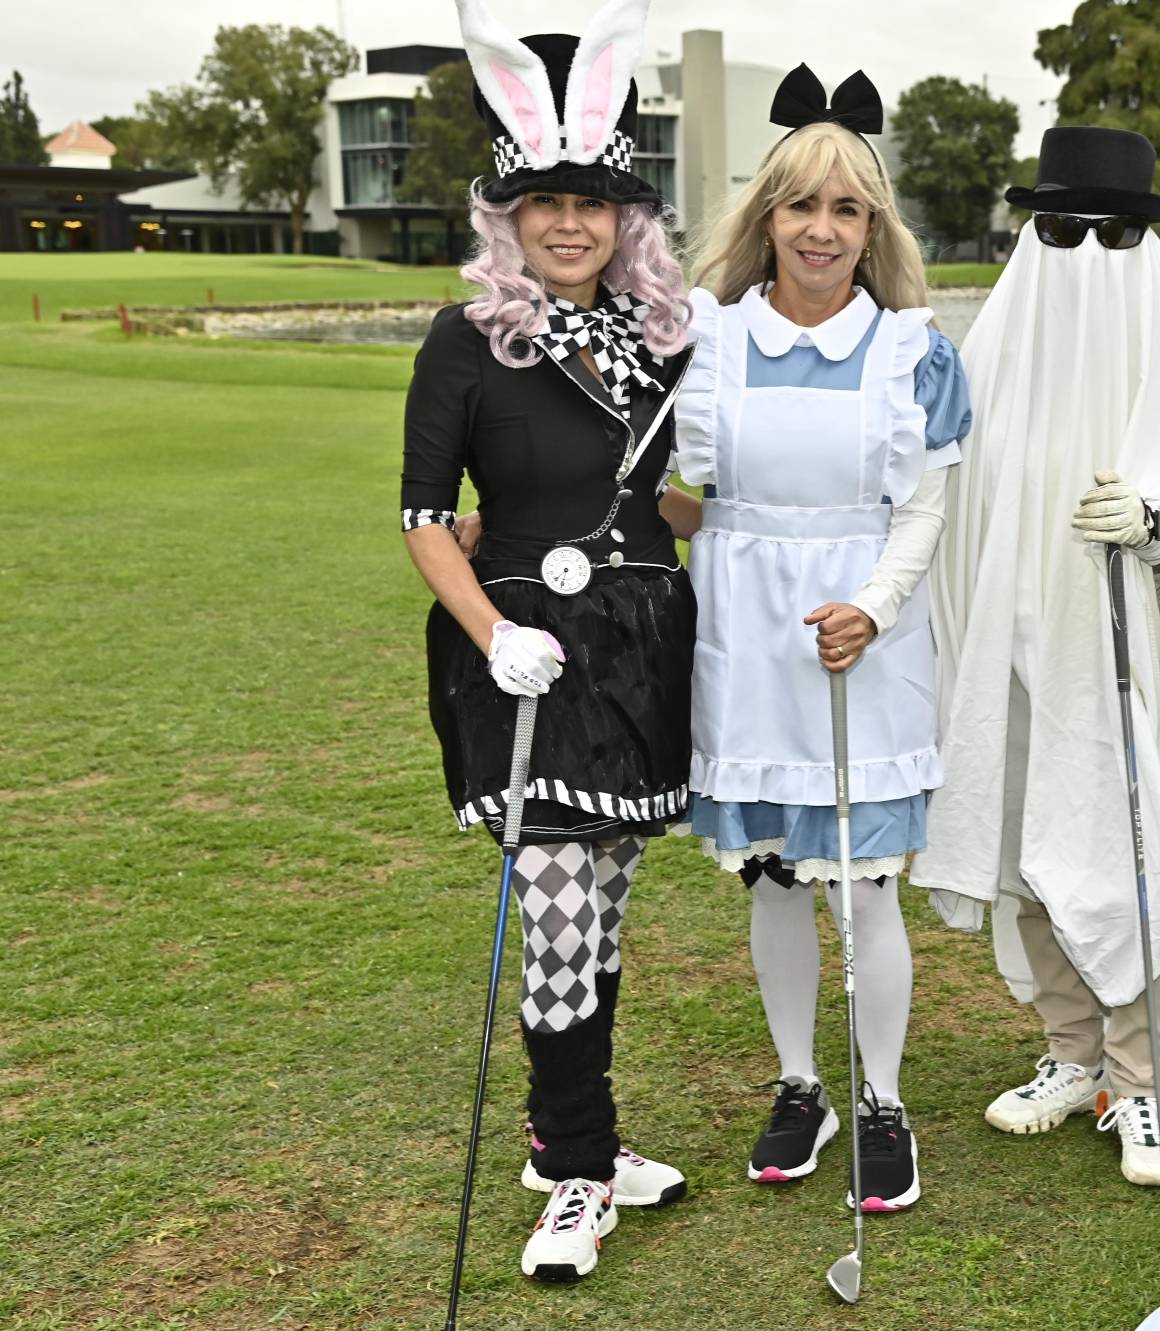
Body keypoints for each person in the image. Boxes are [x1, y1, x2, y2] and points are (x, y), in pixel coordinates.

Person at [401, 0, 698, 1283]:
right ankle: (576, 1170)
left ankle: (572, 1132)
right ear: (508, 218)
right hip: (527, 655)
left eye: (592, 203)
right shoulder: (464, 341)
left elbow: (660, 503)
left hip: (640, 647)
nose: (568, 223)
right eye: (544, 203)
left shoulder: (660, 341)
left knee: (607, 905)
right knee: (558, 909)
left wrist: (760, 515)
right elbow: (423, 519)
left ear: (624, 218)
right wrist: (493, 627)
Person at [675, 64, 970, 1213]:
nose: (821, 229)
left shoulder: (914, 353)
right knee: (772, 877)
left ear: (871, 226)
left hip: (861, 632)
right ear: (766, 217)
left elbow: (926, 509)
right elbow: (682, 493)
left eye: (847, 209)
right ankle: (801, 1081)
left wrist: (874, 606)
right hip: (745, 635)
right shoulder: (707, 341)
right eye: (801, 205)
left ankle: (883, 1097)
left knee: (862, 885)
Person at [912, 128, 1160, 1187]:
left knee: (1128, 843)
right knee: (1028, 840)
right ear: (1030, 231)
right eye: (1062, 227)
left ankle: (1140, 1079)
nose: (1087, 249)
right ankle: (1070, 1050)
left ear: (1144, 239)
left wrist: (1155, 525)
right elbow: (941, 496)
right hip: (1012, 643)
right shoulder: (992, 357)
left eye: (1113, 229)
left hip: (1125, 648)